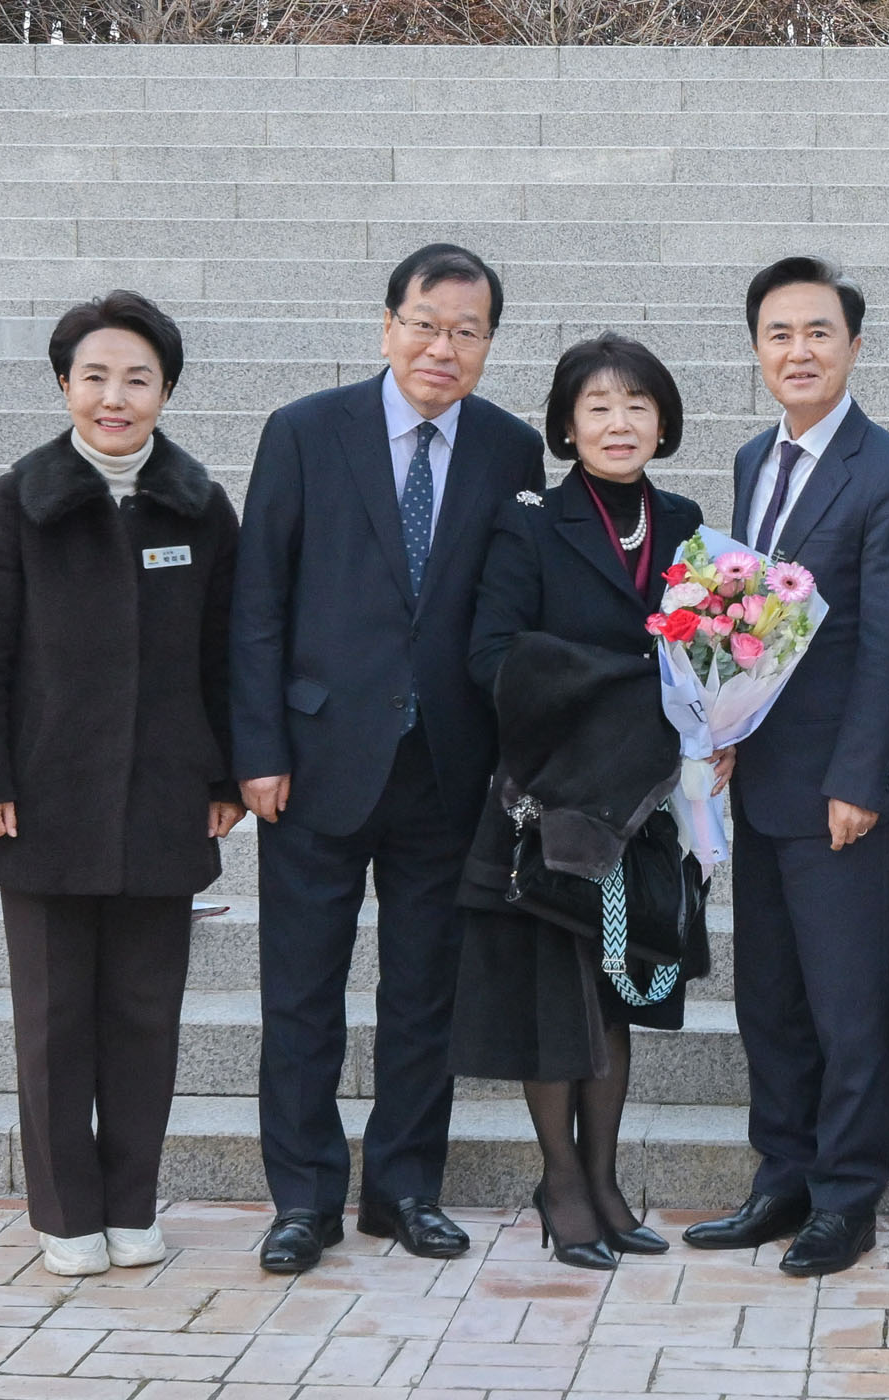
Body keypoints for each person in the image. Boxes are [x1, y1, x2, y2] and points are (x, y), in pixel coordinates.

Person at [229, 244, 545, 1275]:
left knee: (423, 992)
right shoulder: (305, 431)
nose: (441, 347)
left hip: (447, 767)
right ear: (386, 326)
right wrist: (257, 748)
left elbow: (511, 605)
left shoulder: (510, 450)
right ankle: (303, 1199)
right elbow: (258, 601)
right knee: (301, 993)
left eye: (466, 331)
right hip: (315, 760)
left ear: (489, 345)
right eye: (424, 323)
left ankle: (406, 1188)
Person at [0, 290, 243, 1278]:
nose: (115, 397)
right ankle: (67, 1214)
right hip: (42, 799)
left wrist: (226, 774)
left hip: (165, 798)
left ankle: (130, 1206)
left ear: (166, 391)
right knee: (54, 1019)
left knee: (145, 1017)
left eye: (137, 379)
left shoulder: (200, 507)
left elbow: (226, 654)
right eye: (95, 376)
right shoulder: (19, 500)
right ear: (64, 384)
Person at [683, 257, 889, 1277]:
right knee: (770, 1000)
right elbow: (748, 618)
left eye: (819, 332)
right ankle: (780, 1177)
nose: (799, 351)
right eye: (779, 334)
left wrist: (859, 779)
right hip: (762, 778)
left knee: (845, 1005)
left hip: (836, 790)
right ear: (757, 349)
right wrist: (717, 716)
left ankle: (845, 1197)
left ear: (854, 347)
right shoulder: (754, 458)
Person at [451, 333, 724, 1270]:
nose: (620, 423)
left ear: (664, 422)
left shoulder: (684, 521)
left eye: (638, 405)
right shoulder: (529, 520)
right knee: (553, 997)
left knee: (616, 991)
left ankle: (605, 1182)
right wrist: (629, 692)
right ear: (567, 426)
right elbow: (491, 655)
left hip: (642, 805)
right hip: (552, 793)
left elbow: (708, 658)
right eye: (599, 407)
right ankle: (561, 1184)